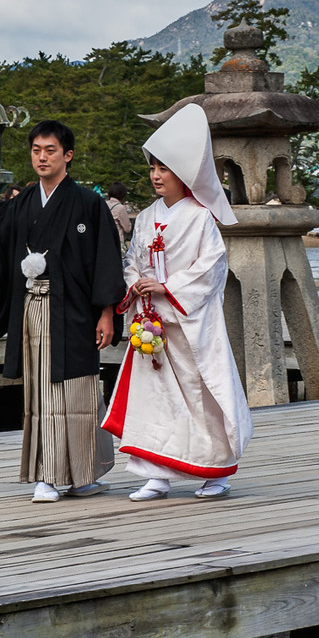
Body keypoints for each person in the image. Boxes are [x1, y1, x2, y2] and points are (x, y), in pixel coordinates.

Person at [103, 104, 252, 501]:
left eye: (163, 169)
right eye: (153, 168)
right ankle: (156, 473)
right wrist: (136, 285)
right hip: (152, 324)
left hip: (188, 325)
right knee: (155, 398)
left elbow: (212, 267)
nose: (155, 176)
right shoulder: (148, 215)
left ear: (182, 174)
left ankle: (215, 469)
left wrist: (166, 287)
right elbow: (133, 260)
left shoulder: (201, 218)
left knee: (201, 394)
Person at [0, 121, 125, 503]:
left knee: (80, 389)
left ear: (67, 156)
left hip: (75, 311)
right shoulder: (20, 204)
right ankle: (48, 474)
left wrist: (107, 312)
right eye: (36, 150)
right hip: (34, 308)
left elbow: (107, 261)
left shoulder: (89, 204)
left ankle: (83, 474)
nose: (42, 157)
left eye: (51, 150)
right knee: (44, 390)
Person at [106, 181, 134, 245]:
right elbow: (127, 228)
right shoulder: (120, 208)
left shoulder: (104, 204)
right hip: (116, 241)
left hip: (104, 240)